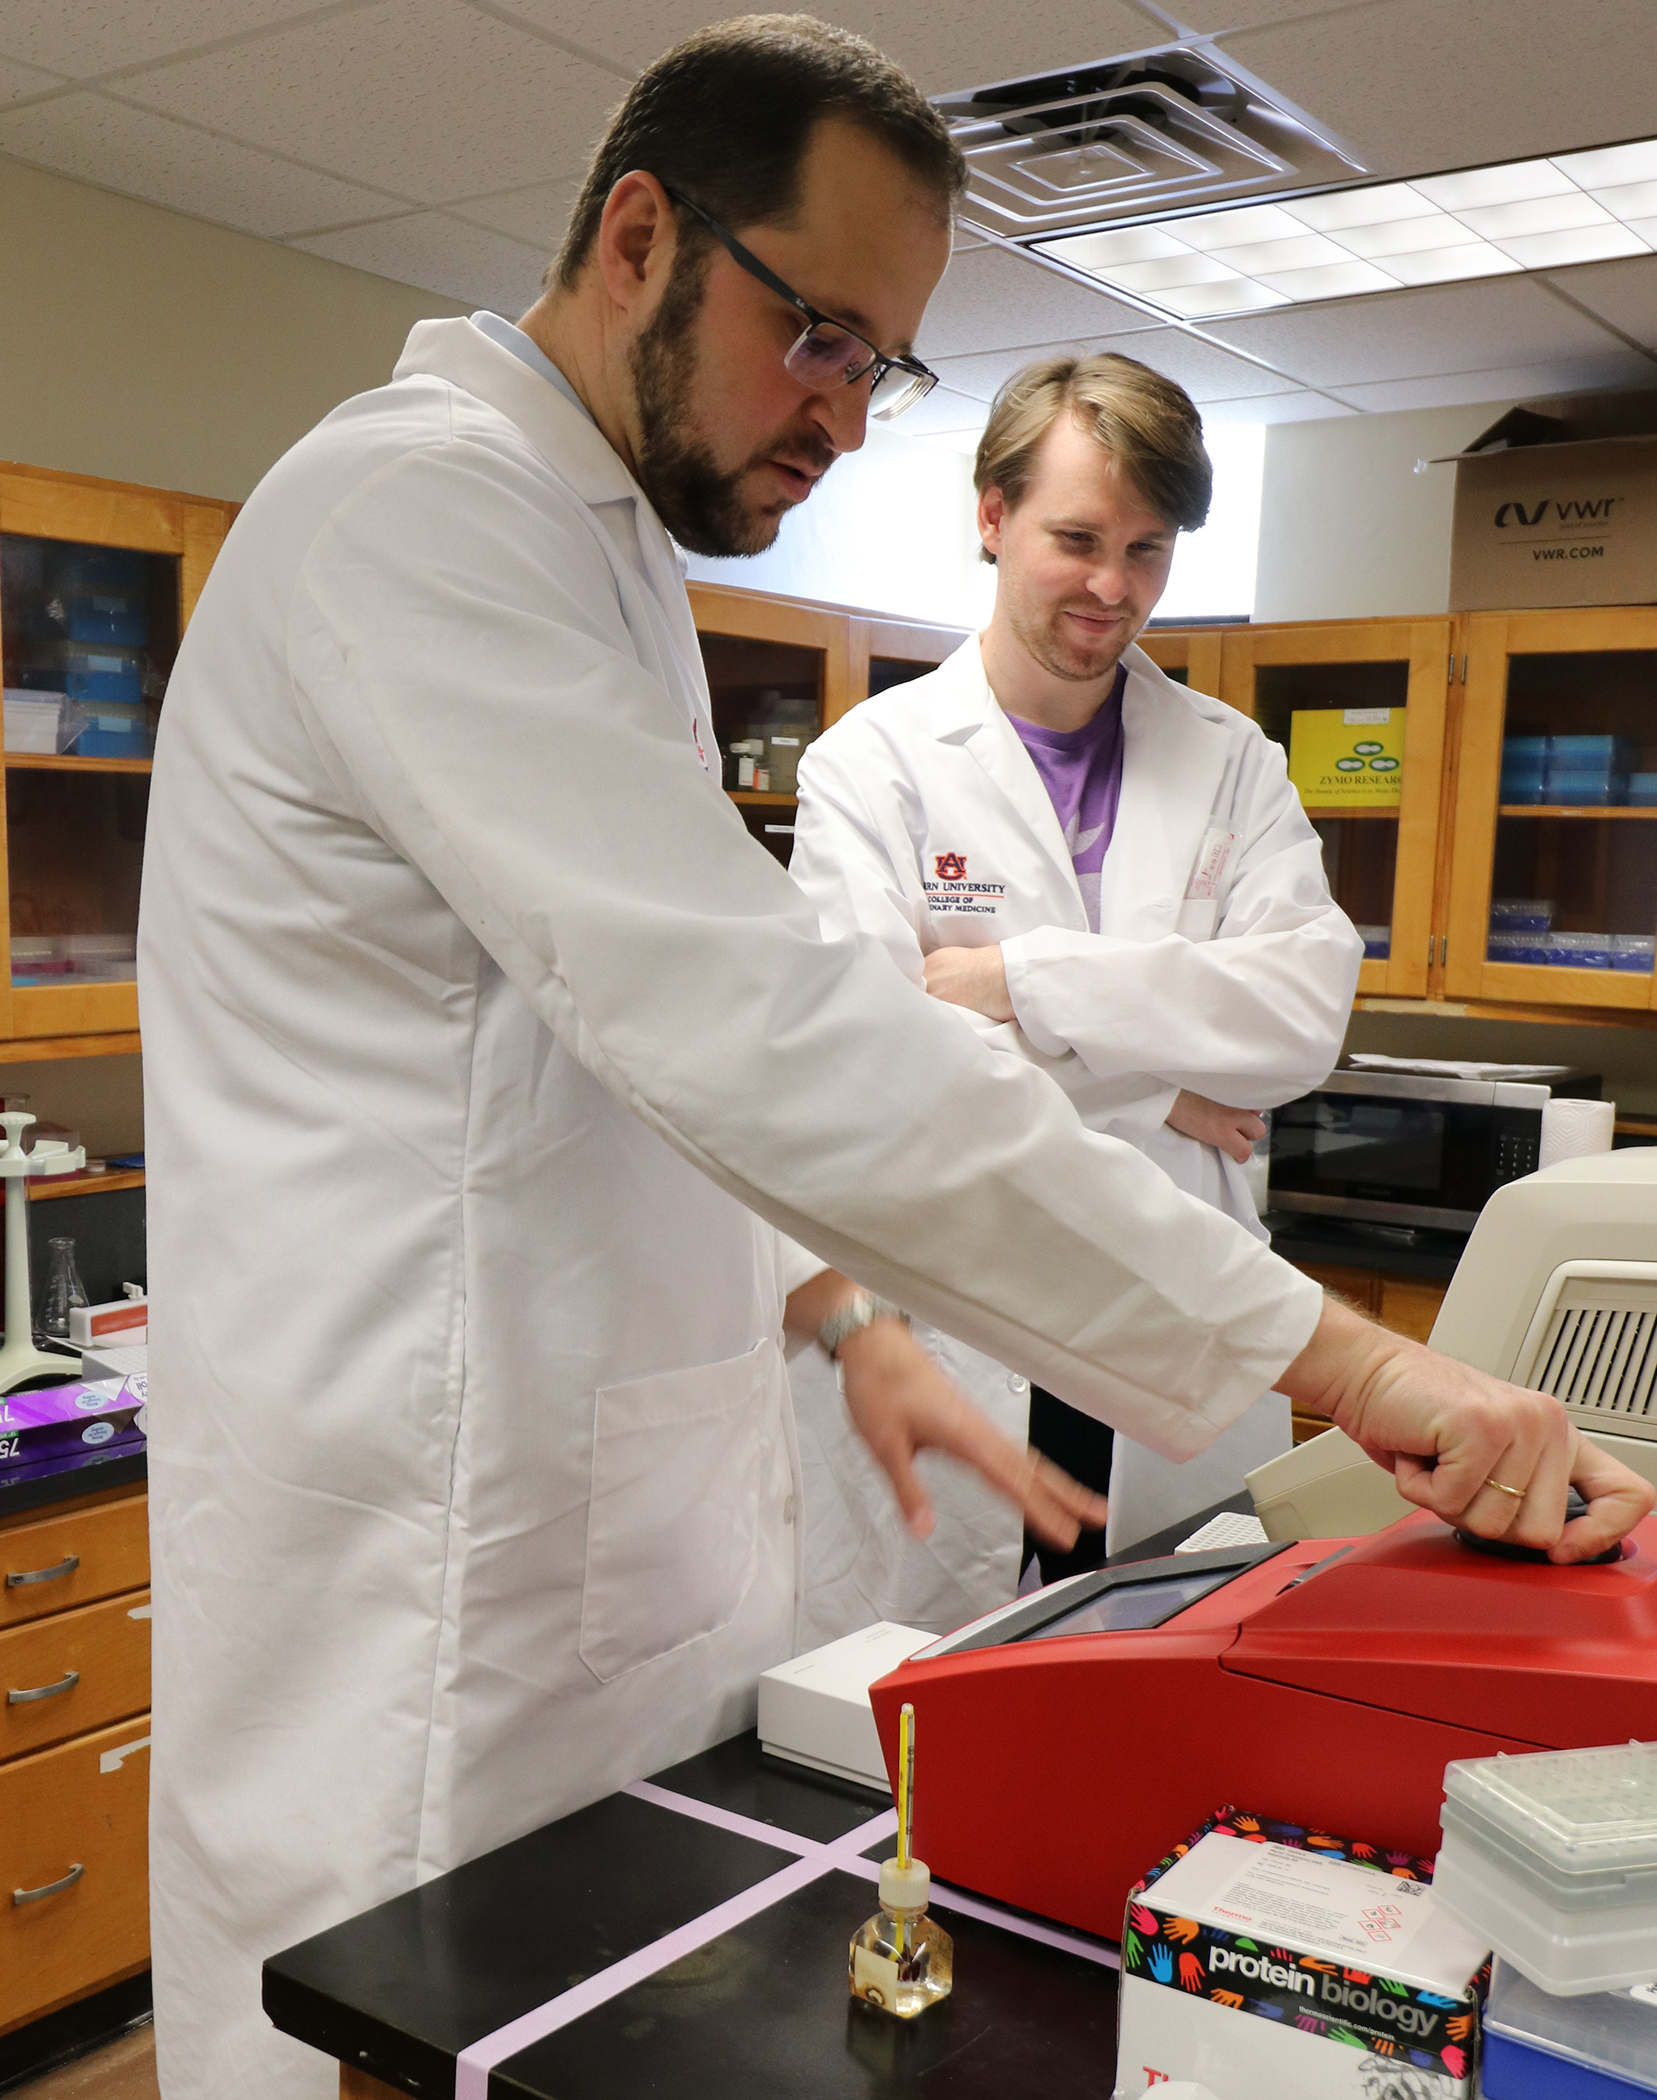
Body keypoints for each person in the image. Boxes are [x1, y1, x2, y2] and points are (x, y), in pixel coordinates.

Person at [136, 17, 1653, 2100]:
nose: (843, 414)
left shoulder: (599, 555)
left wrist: (869, 1238)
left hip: (592, 1538)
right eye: (818, 335)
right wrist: (1357, 1361)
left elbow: (660, 1060)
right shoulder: (421, 521)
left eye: (883, 363)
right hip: (425, 1589)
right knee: (405, 2030)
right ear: (641, 233)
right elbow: (770, 1030)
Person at [788, 351, 1362, 1604]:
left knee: (1171, 1703)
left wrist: (1016, 980)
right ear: (989, 518)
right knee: (933, 1733)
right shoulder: (870, 767)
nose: (1113, 587)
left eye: (1148, 549)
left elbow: (1301, 1014)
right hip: (960, 1322)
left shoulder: (1230, 764)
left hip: (1174, 1324)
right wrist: (1156, 1092)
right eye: (1077, 537)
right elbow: (878, 1071)